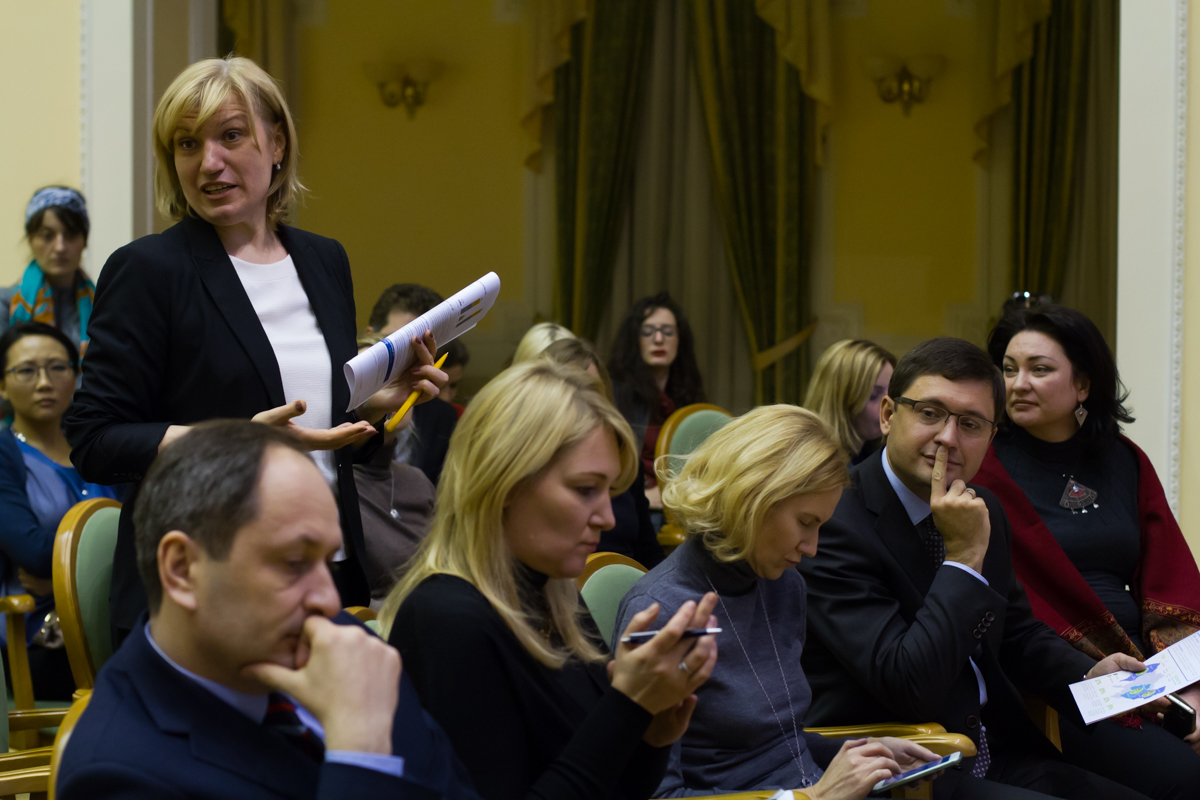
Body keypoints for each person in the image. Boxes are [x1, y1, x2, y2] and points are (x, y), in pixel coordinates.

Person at [63, 56, 446, 646]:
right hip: (206, 589)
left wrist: (374, 404)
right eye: (187, 144)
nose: (208, 162)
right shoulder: (148, 270)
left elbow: (315, 426)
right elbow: (94, 440)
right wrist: (234, 445)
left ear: (277, 144)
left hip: (325, 570)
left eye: (231, 135)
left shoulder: (324, 260)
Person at [799, 337, 1157, 800]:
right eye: (929, 413)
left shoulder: (981, 505)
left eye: (970, 424)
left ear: (990, 439)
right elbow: (908, 683)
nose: (948, 438)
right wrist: (964, 558)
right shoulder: (835, 519)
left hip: (1000, 746)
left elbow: (1016, 634)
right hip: (913, 765)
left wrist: (1090, 674)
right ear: (888, 415)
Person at [56, 420, 478, 799]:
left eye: (328, 562)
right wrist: (361, 755)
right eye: (294, 563)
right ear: (182, 569)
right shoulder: (117, 773)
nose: (329, 600)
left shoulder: (344, 643)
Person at [380, 361, 720, 800]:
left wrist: (650, 733)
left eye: (609, 491)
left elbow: (614, 788)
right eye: (585, 490)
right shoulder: (447, 620)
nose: (607, 517)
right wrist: (627, 707)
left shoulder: (555, 596)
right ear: (505, 483)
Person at [615, 405, 940, 799]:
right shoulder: (661, 611)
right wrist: (816, 797)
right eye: (805, 522)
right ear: (750, 498)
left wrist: (863, 752)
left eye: (821, 526)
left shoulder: (785, 585)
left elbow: (781, 746)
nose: (813, 547)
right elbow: (659, 796)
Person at [970, 304, 1200, 792]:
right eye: (1008, 369)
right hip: (1063, 674)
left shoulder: (1124, 458)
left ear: (1083, 385)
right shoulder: (983, 469)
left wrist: (1193, 689)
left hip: (1155, 664)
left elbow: (1172, 577)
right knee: (1185, 775)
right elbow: (1006, 614)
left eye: (1039, 369)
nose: (1018, 384)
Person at [0, 323, 117, 700]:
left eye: (57, 367)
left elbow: (146, 534)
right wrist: (112, 565)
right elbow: (32, 551)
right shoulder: (5, 455)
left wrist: (61, 582)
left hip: (116, 616)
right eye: (26, 370)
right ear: (2, 386)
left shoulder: (101, 446)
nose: (44, 383)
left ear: (75, 375)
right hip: (39, 639)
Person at [541, 337, 662, 568]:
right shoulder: (533, 465)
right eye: (572, 391)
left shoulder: (622, 456)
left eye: (592, 390)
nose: (608, 520)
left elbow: (648, 551)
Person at [352, 332, 436, 603]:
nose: (390, 392)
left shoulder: (417, 481)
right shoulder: (331, 483)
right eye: (372, 380)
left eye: (396, 376)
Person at [608, 294, 706, 514]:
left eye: (667, 331)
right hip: (633, 503)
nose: (659, 339)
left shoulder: (688, 394)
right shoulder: (616, 394)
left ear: (679, 339)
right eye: (648, 331)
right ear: (635, 339)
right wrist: (643, 493)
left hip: (680, 503)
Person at [367, 283, 460, 486]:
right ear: (369, 337)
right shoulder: (339, 405)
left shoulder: (442, 417)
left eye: (422, 346)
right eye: (396, 343)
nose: (408, 361)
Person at [1, 187, 95, 351]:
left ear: (85, 240)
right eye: (47, 236)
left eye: (71, 234)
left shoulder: (102, 307)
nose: (60, 247)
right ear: (30, 240)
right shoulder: (5, 304)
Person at [804, 340, 895, 465]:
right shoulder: (820, 467)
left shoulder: (873, 455)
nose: (890, 407)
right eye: (873, 395)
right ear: (840, 400)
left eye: (891, 394)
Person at [441, 339, 469, 415]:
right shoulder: (410, 415)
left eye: (453, 385)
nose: (445, 397)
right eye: (436, 386)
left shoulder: (462, 415)